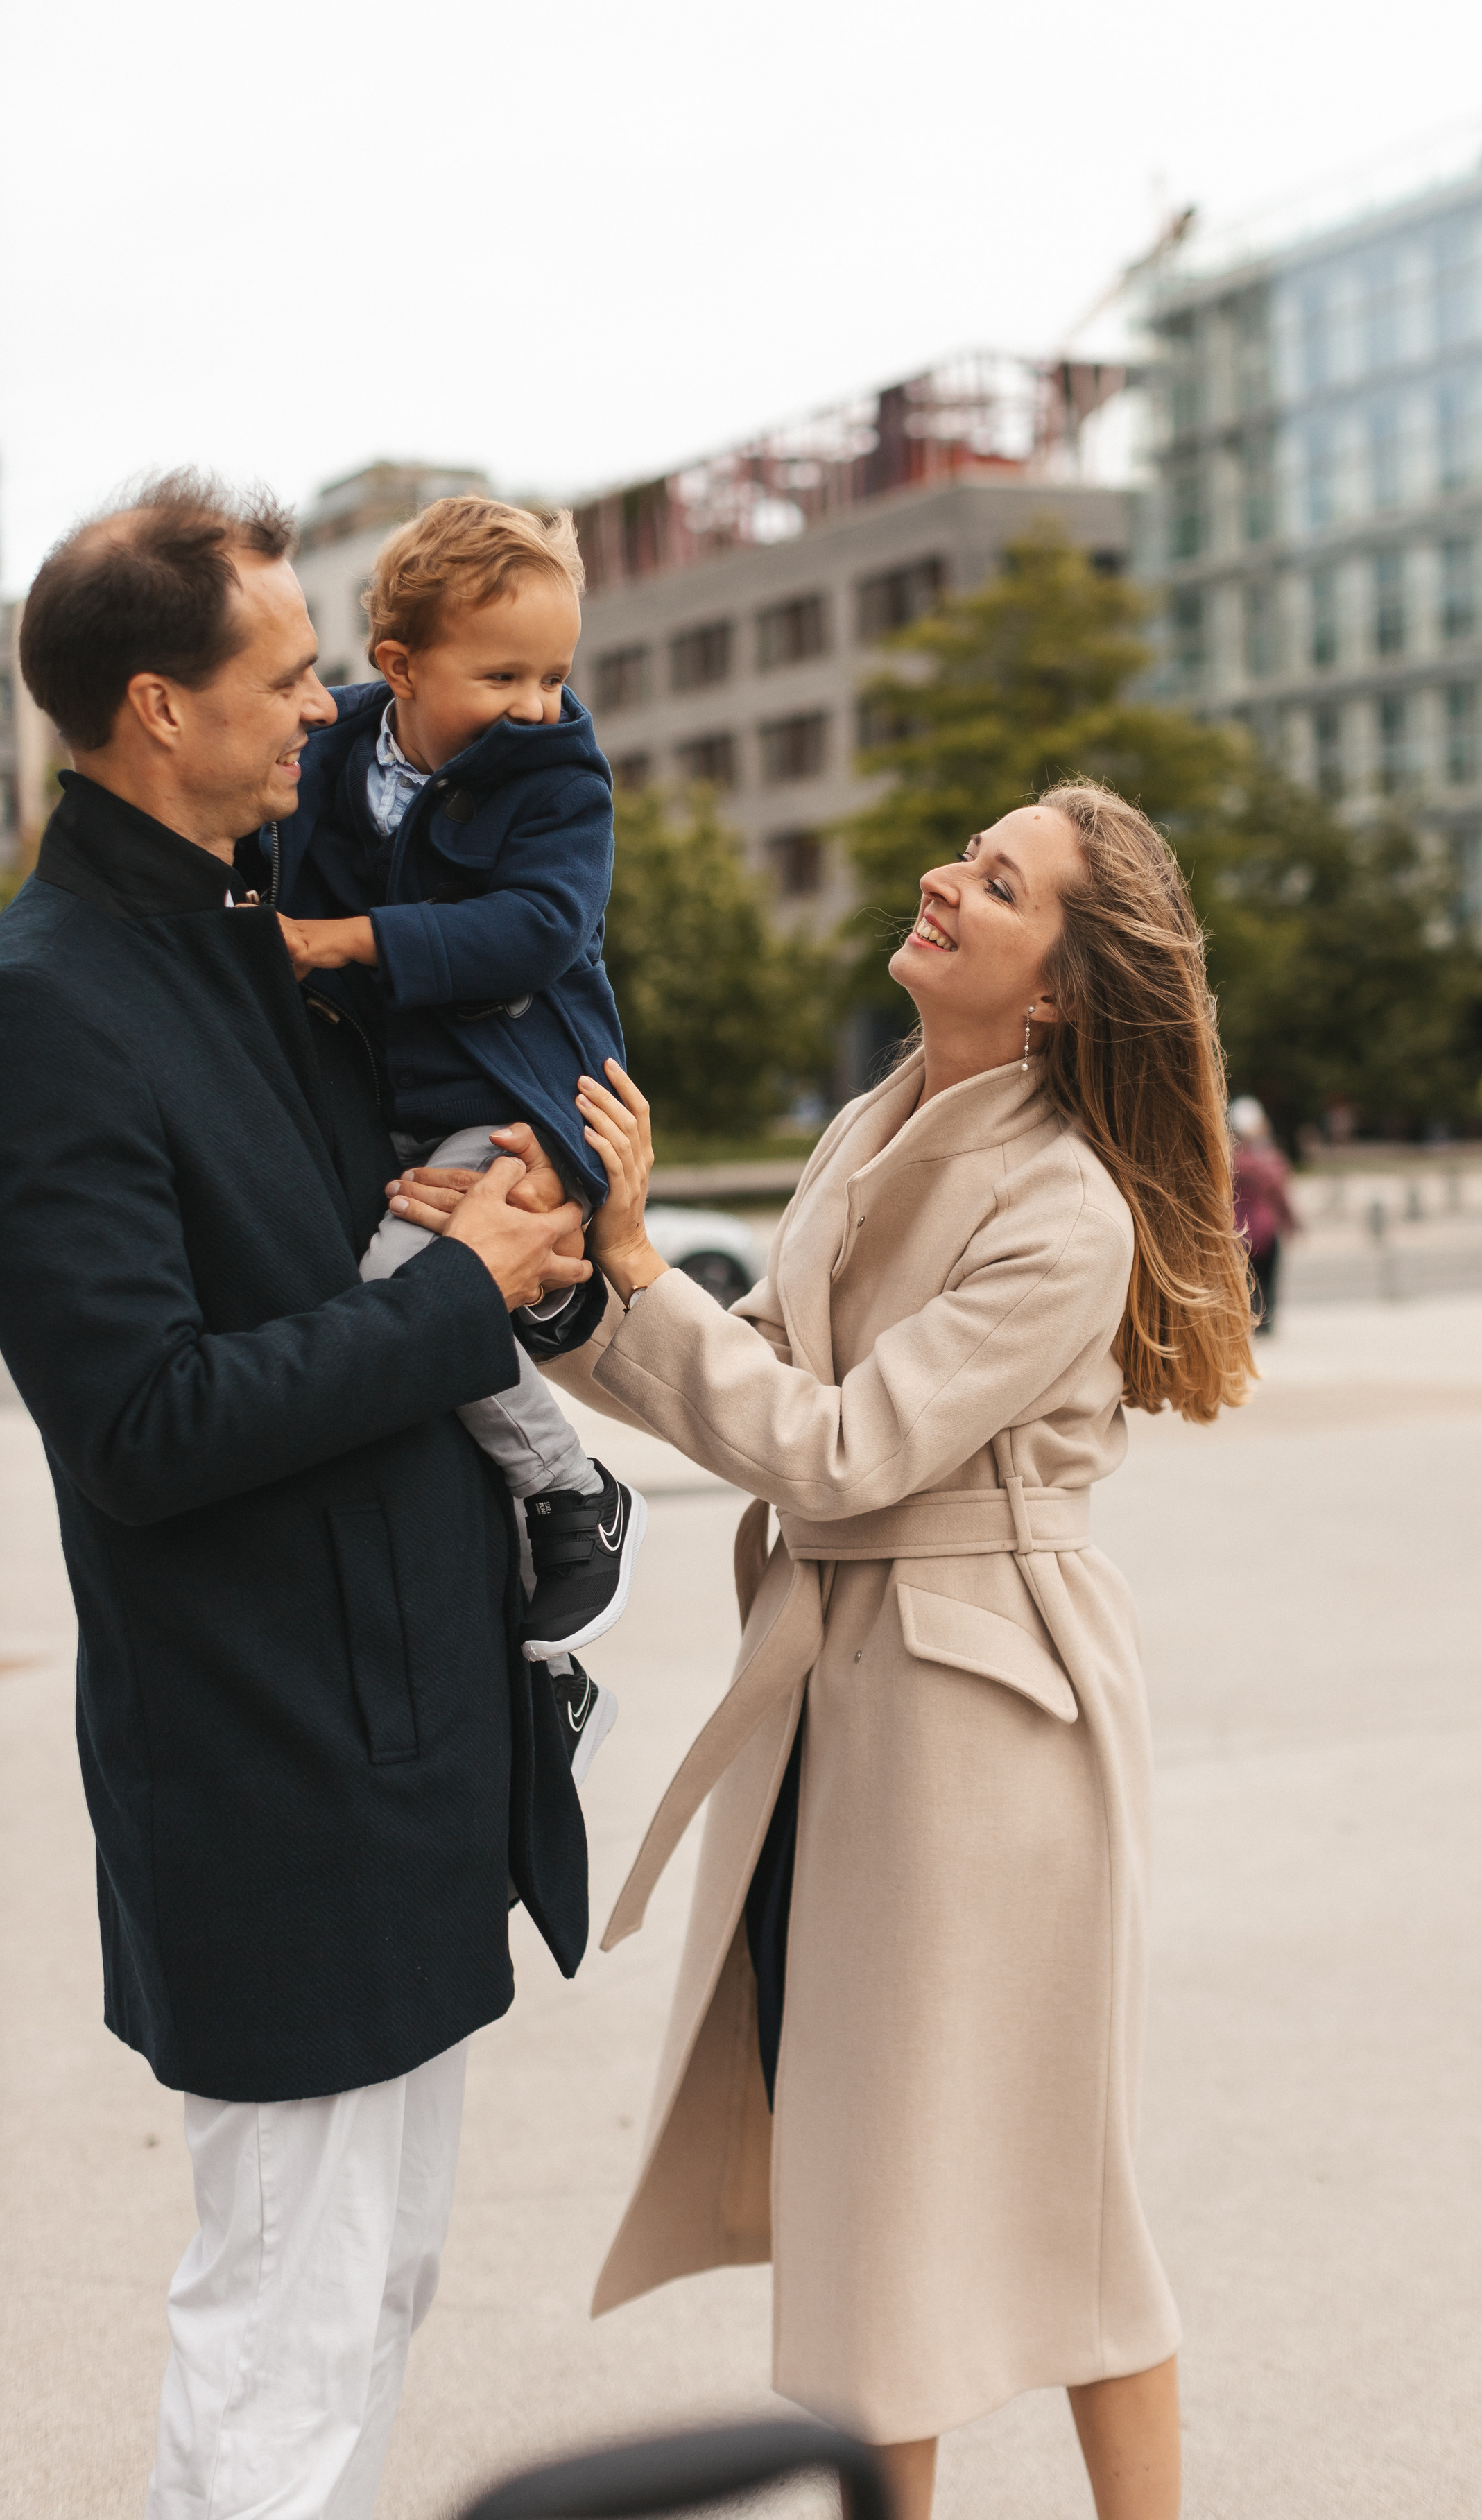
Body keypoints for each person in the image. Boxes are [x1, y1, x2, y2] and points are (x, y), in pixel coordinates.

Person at [399, 781, 1255, 2520]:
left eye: (996, 882)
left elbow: (843, 1447)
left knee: (1028, 2192)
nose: (946, 878)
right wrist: (560, 1287)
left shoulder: (1067, 1210)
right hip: (858, 1695)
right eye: (967, 853)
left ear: (1061, 988)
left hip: (984, 1724)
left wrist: (629, 1264)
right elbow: (761, 1376)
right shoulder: (874, 1123)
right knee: (882, 2184)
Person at [0, 474, 596, 2520]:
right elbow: (142, 1419)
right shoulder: (48, 998)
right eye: (286, 676)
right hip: (272, 1757)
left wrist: (545, 1224)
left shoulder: (262, 932)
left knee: (376, 2295)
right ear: (158, 708)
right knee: (283, 2321)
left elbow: (412, 1221)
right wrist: (456, 1299)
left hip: (407, 1735)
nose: (328, 705)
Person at [253, 494, 644, 1760]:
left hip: (518, 1088)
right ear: (399, 668)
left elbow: (540, 927)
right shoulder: (329, 751)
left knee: (401, 1292)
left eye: (555, 673)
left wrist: (349, 941)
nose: (538, 703)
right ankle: (521, 1675)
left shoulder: (557, 773)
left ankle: (571, 1488)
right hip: (394, 1101)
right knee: (349, 1304)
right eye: (504, 675)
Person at [1228, 1094, 1298, 1333]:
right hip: (1265, 1228)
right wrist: (1291, 1222)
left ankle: (1248, 1321)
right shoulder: (1267, 1158)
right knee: (1267, 1279)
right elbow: (1279, 1193)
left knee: (1244, 1280)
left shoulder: (1227, 1158)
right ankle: (1265, 1322)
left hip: (1236, 1229)